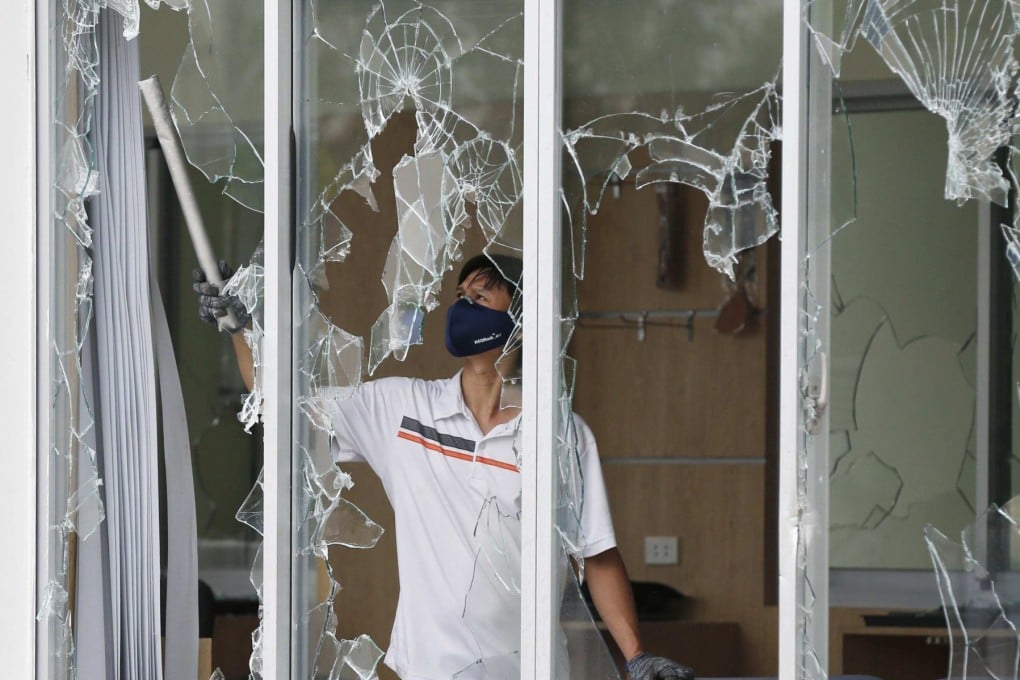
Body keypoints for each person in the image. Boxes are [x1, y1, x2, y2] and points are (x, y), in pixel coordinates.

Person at [195, 254, 694, 680]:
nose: (463, 307)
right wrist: (243, 327)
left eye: (482, 296)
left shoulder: (559, 434)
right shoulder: (403, 410)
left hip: (534, 670)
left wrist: (636, 658)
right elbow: (283, 406)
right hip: (433, 669)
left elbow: (597, 554)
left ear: (520, 315)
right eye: (461, 296)